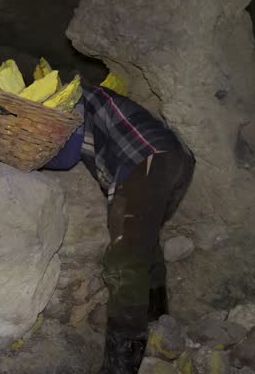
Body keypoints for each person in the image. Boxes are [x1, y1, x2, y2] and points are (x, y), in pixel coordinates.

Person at [44, 83, 196, 374]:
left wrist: (32, 156)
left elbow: (65, 156)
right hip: (176, 162)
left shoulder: (71, 99)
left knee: (124, 263)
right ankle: (156, 319)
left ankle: (122, 366)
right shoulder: (95, 100)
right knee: (143, 245)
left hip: (148, 160)